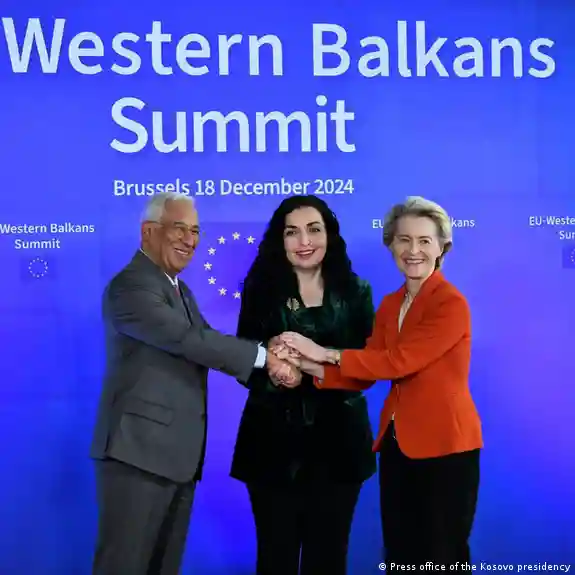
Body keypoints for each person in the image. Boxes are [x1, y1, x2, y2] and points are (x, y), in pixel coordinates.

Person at [90, 192, 296, 575]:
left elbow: (205, 341)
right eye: (179, 229)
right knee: (125, 565)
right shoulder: (131, 286)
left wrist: (271, 361)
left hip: (174, 458)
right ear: (148, 231)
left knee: (163, 566)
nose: (190, 240)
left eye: (196, 231)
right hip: (138, 454)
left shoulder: (178, 289)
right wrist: (265, 358)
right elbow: (189, 341)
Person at [279, 196, 483, 567]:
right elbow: (368, 368)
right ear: (391, 245)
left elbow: (399, 362)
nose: (413, 250)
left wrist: (323, 351)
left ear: (442, 247)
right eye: (404, 239)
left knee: (441, 556)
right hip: (397, 445)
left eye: (424, 240)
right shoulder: (390, 304)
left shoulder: (450, 303)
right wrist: (305, 364)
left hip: (446, 446)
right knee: (401, 554)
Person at [231, 196, 377, 575]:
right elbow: (244, 359)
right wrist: (276, 369)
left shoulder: (356, 291)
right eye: (292, 232)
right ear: (280, 240)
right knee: (275, 559)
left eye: (314, 230)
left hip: (340, 446)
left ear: (330, 235)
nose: (304, 241)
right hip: (271, 444)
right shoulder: (260, 288)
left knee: (327, 560)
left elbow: (367, 368)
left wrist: (311, 363)